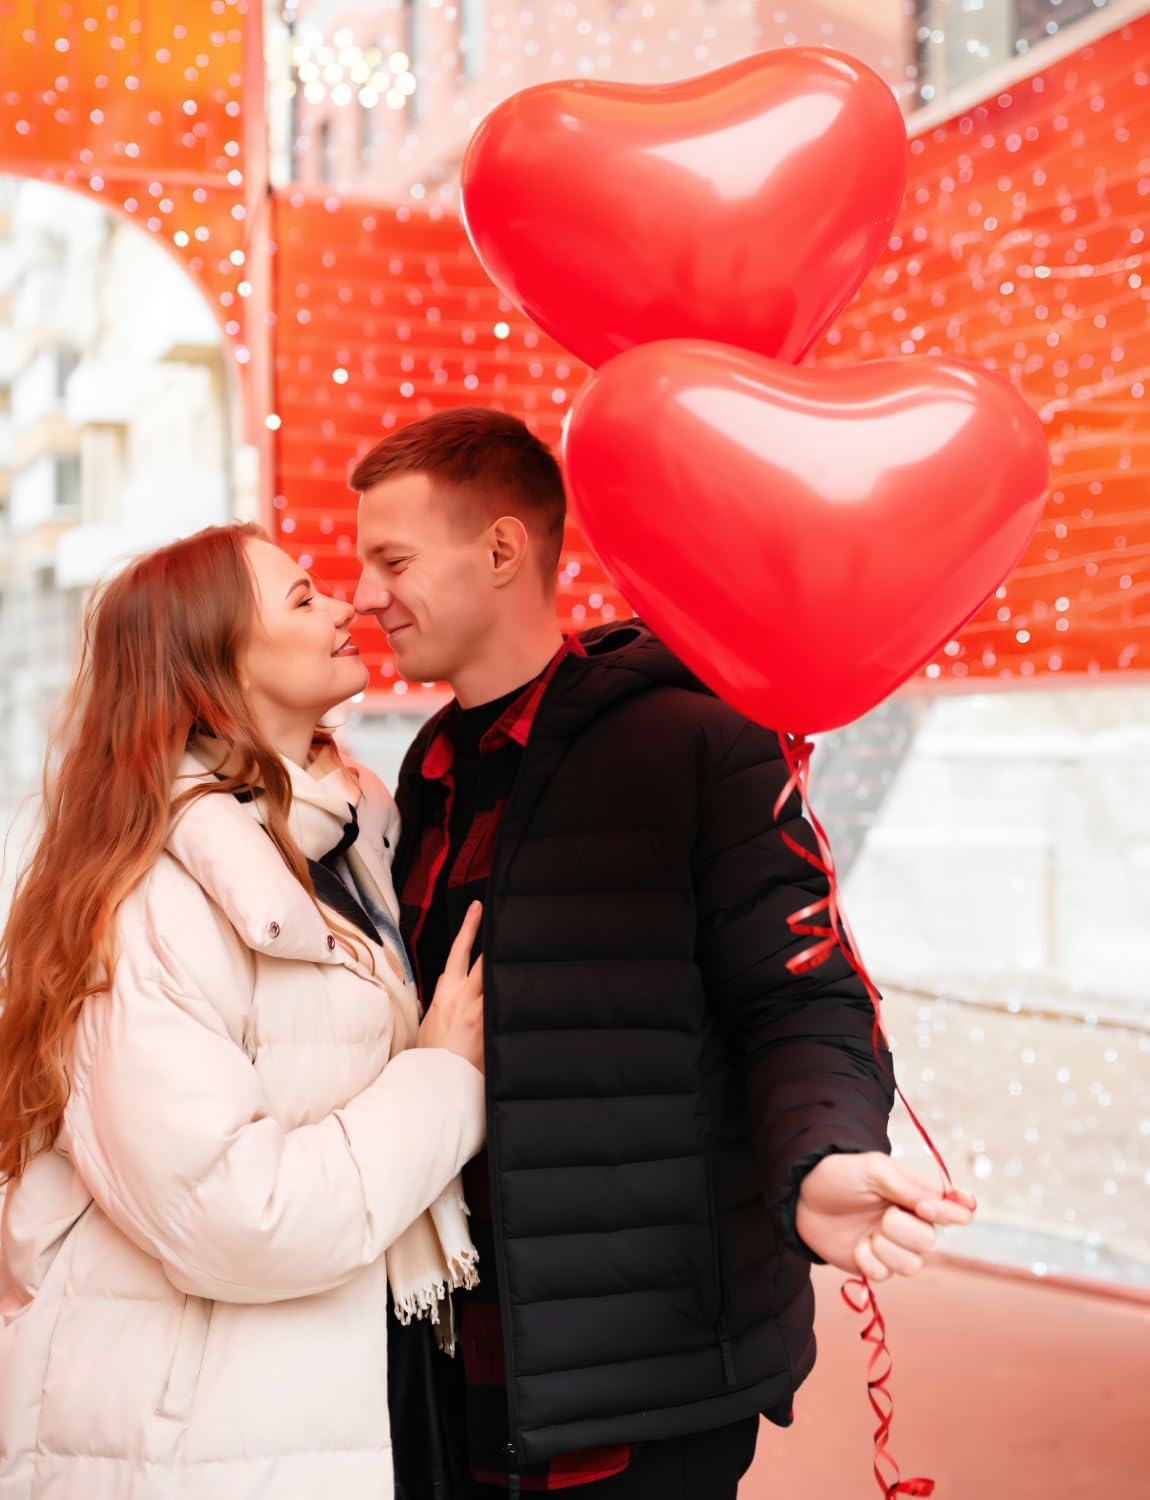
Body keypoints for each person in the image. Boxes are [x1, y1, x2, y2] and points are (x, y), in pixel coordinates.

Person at [350, 408, 977, 1500]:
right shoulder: (427, 771)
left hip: (645, 1360)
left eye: (390, 559)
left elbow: (801, 1002)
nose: (364, 594)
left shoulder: (694, 741)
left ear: (502, 550)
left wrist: (819, 1161)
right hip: (458, 1351)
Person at [0, 524, 487, 1500]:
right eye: (303, 599)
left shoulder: (346, 844)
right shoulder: (150, 901)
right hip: (204, 1444)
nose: (348, 605)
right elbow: (233, 1215)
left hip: (345, 1400)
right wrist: (443, 1082)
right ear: (213, 668)